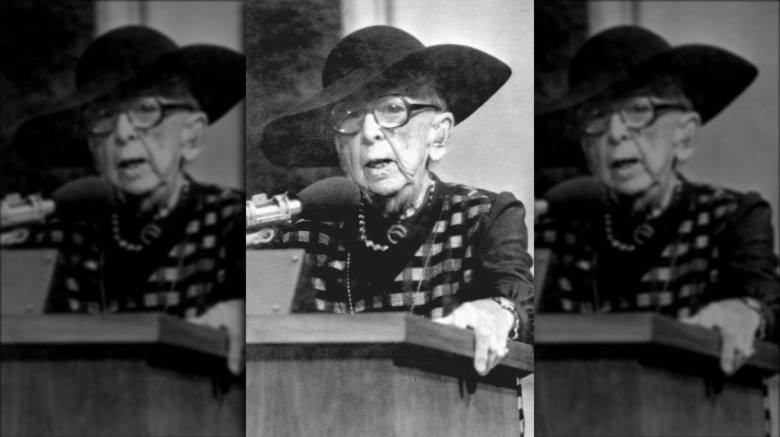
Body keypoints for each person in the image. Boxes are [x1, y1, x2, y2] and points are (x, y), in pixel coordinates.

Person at [260, 25, 534, 377]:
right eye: (350, 116)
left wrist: (498, 313)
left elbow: (521, 306)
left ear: (438, 135)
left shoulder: (483, 216)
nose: (370, 132)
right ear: (339, 148)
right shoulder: (301, 237)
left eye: (392, 108)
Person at [536, 25, 780, 376]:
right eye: (596, 116)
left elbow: (769, 301)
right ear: (586, 148)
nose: (617, 133)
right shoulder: (553, 231)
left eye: (638, 109)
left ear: (685, 135)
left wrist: (745, 312)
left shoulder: (731, 217)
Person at [8, 26, 246, 375]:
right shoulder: (53, 238)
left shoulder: (235, 222)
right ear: (92, 147)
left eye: (146, 109)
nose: (123, 134)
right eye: (103, 116)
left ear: (191, 136)